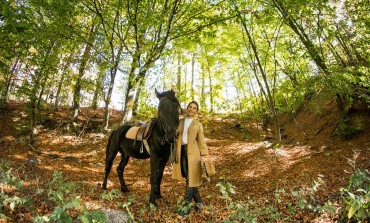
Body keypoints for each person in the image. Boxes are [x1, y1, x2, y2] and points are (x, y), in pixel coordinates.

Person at [172, 101, 211, 216]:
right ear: (187, 108)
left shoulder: (198, 125)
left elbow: (201, 141)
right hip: (181, 153)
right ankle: (199, 204)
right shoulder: (180, 122)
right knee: (190, 180)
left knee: (190, 179)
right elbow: (175, 134)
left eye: (194, 108)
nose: (191, 109)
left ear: (196, 111)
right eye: (190, 107)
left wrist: (205, 155)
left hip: (194, 154)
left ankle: (186, 207)